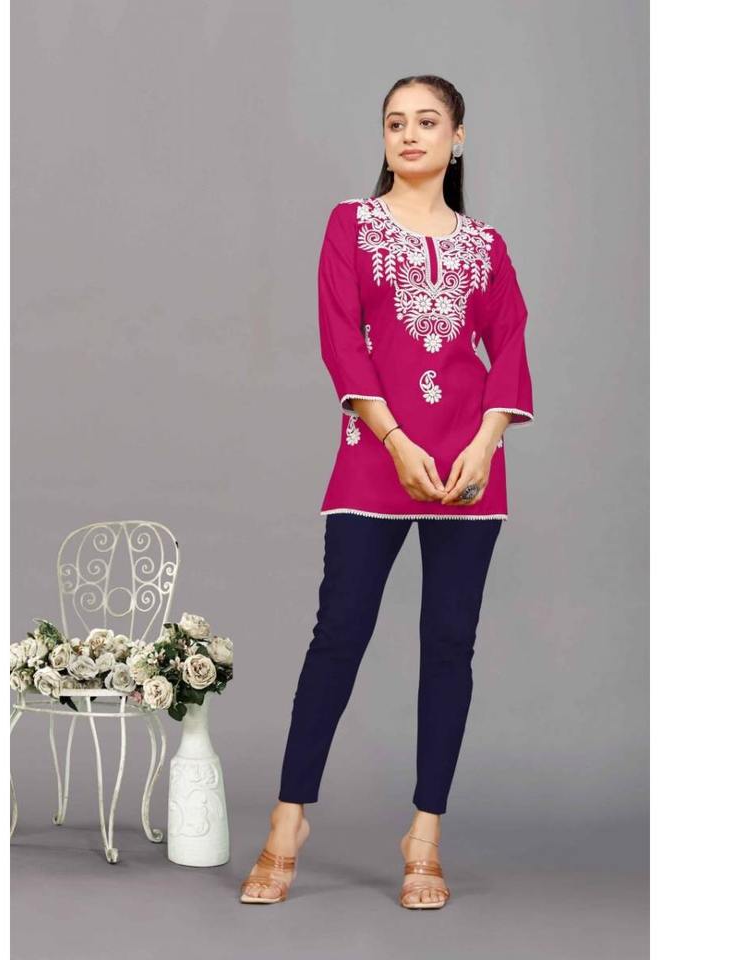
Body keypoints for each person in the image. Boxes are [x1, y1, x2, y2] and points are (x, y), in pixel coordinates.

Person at [239, 74, 534, 909]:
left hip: (469, 463)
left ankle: (424, 837)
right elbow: (341, 338)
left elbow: (509, 342)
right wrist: (396, 439)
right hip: (375, 454)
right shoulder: (352, 225)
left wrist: (485, 442)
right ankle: (288, 822)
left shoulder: (487, 246)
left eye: (427, 121)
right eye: (395, 122)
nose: (409, 135)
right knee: (339, 633)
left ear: (457, 137)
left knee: (449, 644)